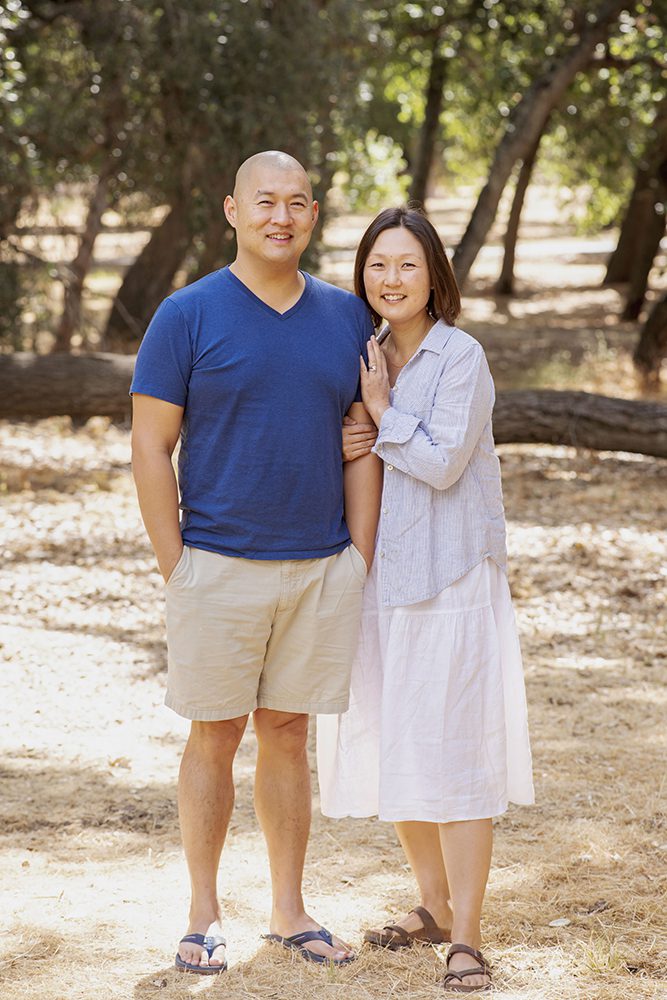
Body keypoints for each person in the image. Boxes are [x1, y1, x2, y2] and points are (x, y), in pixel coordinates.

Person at [130, 150, 381, 974]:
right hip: (217, 564)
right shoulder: (187, 314)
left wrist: (357, 557)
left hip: (318, 567)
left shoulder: (348, 319)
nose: (281, 217)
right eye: (264, 201)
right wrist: (179, 565)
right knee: (214, 734)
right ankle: (203, 914)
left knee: (287, 732)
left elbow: (363, 437)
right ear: (231, 210)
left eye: (297, 203)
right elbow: (151, 445)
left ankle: (288, 909)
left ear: (313, 216)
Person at [317, 207, 534, 992]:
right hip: (380, 578)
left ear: (433, 274)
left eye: (407, 264)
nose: (391, 279)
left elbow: (442, 466)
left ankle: (467, 936)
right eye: (378, 265)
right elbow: (360, 447)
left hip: (449, 580)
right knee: (404, 745)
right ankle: (433, 905)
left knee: (458, 753)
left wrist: (380, 417)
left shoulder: (459, 356)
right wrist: (354, 433)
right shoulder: (365, 352)